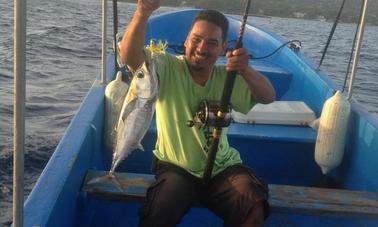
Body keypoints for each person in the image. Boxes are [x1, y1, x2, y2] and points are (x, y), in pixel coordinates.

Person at [119, 0, 276, 226]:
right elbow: (131, 57)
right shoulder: (167, 67)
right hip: (176, 168)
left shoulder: (228, 76)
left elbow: (268, 96)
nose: (202, 48)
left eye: (212, 43)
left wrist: (246, 70)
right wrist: (142, 13)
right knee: (158, 212)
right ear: (185, 41)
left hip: (223, 168)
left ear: (223, 48)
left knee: (253, 207)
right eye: (196, 39)